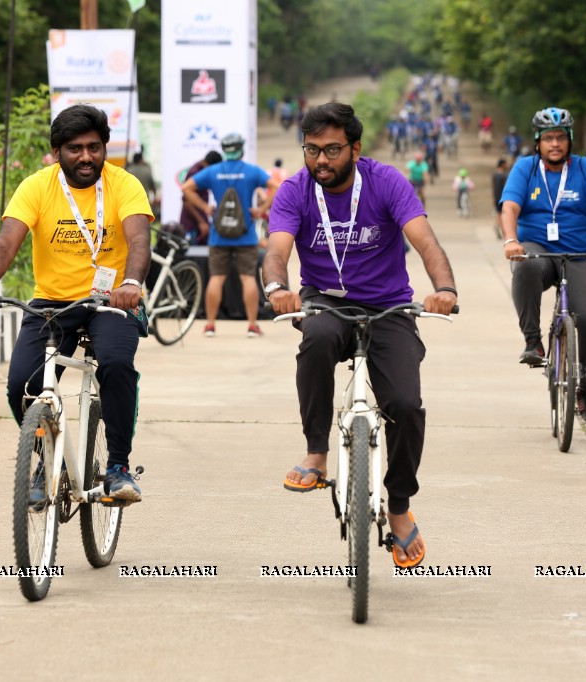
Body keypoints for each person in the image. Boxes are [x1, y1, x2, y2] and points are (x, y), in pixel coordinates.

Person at [263, 102, 457, 569]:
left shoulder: (386, 181)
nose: (321, 161)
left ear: (355, 147)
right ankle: (316, 453)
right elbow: (276, 250)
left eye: (332, 150)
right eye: (311, 150)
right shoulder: (295, 190)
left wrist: (444, 288)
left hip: (389, 306)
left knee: (407, 406)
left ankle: (400, 504)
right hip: (325, 301)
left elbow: (425, 241)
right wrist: (277, 288)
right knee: (314, 341)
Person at [0, 104, 153, 502]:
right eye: (75, 148)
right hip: (52, 303)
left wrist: (131, 282)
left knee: (117, 366)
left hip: (111, 300)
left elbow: (138, 240)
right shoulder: (36, 186)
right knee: (21, 386)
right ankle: (49, 459)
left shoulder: (124, 184)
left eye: (94, 147)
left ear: (104, 148)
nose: (86, 157)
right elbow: (6, 241)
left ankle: (118, 467)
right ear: (56, 151)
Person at [501, 107, 586, 423]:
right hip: (539, 249)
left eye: (561, 138)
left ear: (570, 141)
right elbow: (510, 208)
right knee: (524, 264)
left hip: (581, 253)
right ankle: (532, 341)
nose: (555, 144)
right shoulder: (525, 169)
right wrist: (511, 241)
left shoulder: (585, 168)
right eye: (549, 138)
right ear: (538, 142)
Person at [181, 132, 279, 338]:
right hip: (246, 235)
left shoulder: (214, 171)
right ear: (241, 150)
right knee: (247, 279)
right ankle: (252, 325)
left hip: (219, 235)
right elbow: (276, 187)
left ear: (225, 150)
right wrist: (261, 208)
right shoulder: (252, 171)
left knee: (216, 278)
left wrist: (206, 208)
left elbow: (186, 187)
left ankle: (210, 325)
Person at [178, 150, 224, 245]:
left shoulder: (202, 170)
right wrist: (201, 222)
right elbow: (186, 201)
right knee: (192, 254)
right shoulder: (195, 173)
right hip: (191, 224)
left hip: (201, 219)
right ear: (209, 165)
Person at [492, 158, 510, 239]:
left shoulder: (495, 174)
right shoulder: (503, 175)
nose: (507, 165)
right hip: (502, 197)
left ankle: (497, 225)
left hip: (496, 197)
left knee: (500, 214)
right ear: (502, 164)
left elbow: (493, 187)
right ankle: (502, 230)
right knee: (503, 215)